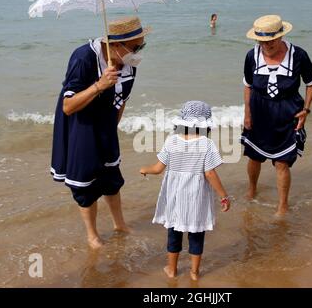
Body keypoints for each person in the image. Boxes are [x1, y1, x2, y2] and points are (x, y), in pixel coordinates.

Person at [51, 16, 150, 249]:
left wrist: (111, 129)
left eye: (141, 46)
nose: (138, 52)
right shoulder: (83, 58)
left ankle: (120, 224)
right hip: (81, 126)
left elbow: (123, 99)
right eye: (136, 47)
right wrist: (99, 85)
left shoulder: (129, 64)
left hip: (106, 125)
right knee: (85, 185)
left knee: (111, 179)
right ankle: (92, 235)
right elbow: (68, 107)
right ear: (116, 44)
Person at [140, 101, 231, 281]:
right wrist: (224, 196)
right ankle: (194, 273)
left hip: (175, 198)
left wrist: (144, 169)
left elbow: (158, 169)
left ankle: (172, 270)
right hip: (196, 198)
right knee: (196, 234)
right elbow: (210, 173)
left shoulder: (172, 141)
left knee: (174, 233)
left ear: (183, 121)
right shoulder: (207, 144)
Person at [240, 15, 312, 216]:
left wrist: (306, 110)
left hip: (288, 111)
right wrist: (247, 113)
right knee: (254, 156)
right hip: (259, 111)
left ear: (280, 36)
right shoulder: (251, 56)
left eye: (270, 40)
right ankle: (252, 190)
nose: (266, 45)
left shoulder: (299, 55)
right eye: (261, 40)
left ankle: (282, 205)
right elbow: (247, 85)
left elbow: (311, 83)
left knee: (282, 161)